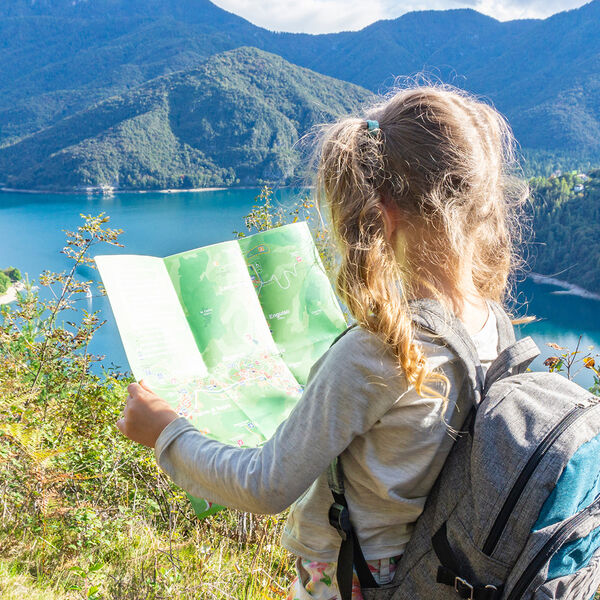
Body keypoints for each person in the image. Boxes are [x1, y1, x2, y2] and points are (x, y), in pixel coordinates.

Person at [116, 85, 528, 600]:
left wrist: (165, 432)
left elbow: (265, 485)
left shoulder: (379, 350)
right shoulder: (494, 325)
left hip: (348, 579)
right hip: (438, 573)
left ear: (380, 208)